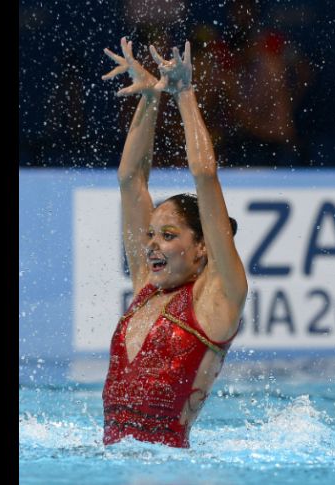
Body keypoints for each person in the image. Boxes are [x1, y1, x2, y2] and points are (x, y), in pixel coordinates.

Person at [100, 37, 248, 448]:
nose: (151, 246)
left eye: (168, 236)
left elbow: (205, 175)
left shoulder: (218, 298)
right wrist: (149, 98)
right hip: (110, 461)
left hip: (169, 468)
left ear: (202, 246)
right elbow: (131, 181)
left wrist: (183, 93)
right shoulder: (146, 287)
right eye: (151, 235)